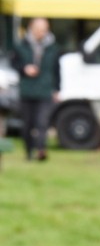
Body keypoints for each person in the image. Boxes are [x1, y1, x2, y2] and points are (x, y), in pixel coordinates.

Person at [11, 18, 60, 161]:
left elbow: (57, 70)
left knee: (42, 123)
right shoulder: (21, 46)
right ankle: (28, 152)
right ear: (31, 28)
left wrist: (57, 89)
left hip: (45, 90)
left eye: (44, 29)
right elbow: (14, 63)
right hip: (27, 90)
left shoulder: (53, 47)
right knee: (27, 124)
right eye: (39, 29)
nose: (42, 32)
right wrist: (24, 69)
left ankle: (41, 149)